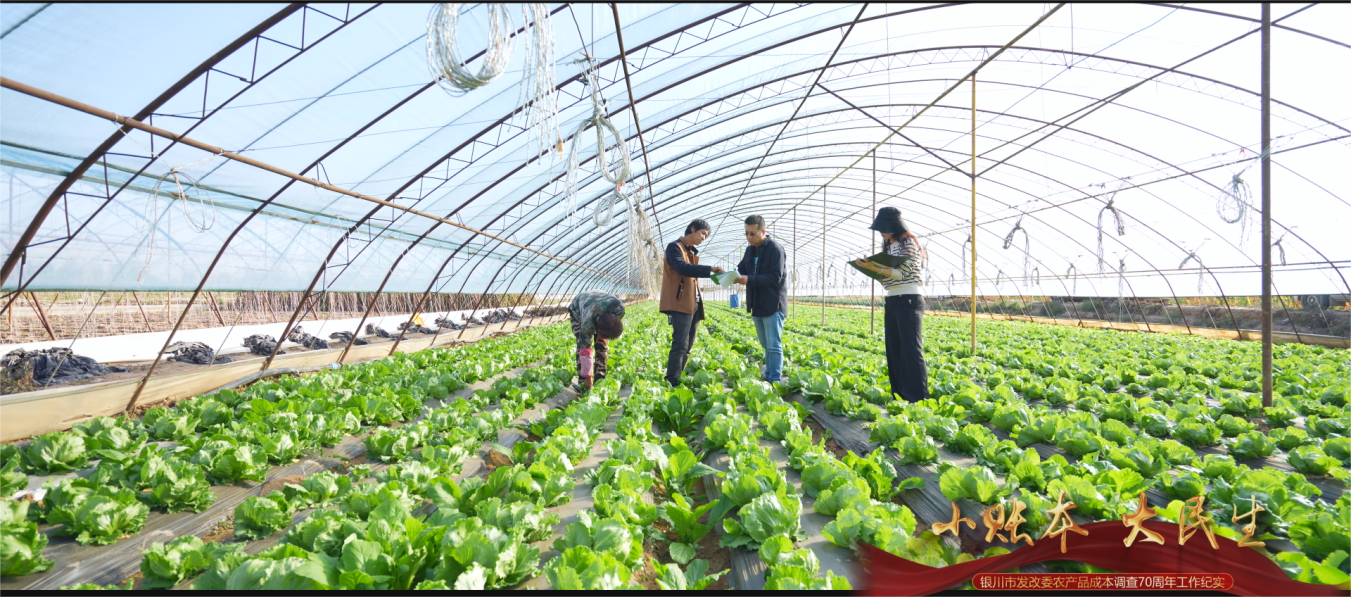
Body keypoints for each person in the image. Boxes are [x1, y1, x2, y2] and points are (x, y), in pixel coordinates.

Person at [853, 207, 929, 402]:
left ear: (895, 226)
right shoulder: (888, 246)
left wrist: (875, 268)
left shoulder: (907, 242)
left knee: (911, 350)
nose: (881, 232)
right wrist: (871, 270)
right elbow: (888, 280)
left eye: (884, 228)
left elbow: (904, 274)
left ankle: (918, 399)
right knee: (894, 350)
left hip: (909, 298)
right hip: (893, 298)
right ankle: (900, 396)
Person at [660, 219, 724, 386]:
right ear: (693, 229)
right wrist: (710, 269)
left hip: (693, 303)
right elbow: (683, 268)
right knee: (680, 343)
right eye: (703, 233)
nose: (703, 238)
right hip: (680, 302)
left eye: (706, 236)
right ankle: (672, 380)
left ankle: (678, 376)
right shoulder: (674, 247)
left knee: (688, 344)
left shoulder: (690, 251)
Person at [735, 215, 788, 383]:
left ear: (763, 232)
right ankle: (770, 374)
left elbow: (775, 276)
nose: (749, 237)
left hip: (772, 304)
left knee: (773, 344)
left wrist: (749, 279)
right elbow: (741, 268)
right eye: (746, 233)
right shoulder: (750, 250)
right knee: (765, 343)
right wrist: (731, 275)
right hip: (756, 303)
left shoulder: (775, 249)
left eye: (753, 233)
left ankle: (774, 379)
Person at [568, 290, 625, 393]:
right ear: (598, 329)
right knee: (582, 346)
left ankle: (599, 380)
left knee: (602, 345)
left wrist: (603, 337)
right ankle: (583, 382)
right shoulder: (587, 324)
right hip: (578, 309)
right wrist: (588, 377)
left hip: (599, 301)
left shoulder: (619, 308)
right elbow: (585, 350)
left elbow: (612, 325)